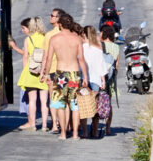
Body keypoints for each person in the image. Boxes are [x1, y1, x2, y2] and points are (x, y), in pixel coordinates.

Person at [40, 13, 89, 141]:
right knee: (75, 104)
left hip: (60, 74)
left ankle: (62, 132)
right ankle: (75, 134)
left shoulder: (54, 39)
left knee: (60, 104)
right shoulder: (77, 38)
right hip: (74, 74)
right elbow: (81, 59)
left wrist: (46, 74)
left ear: (60, 24)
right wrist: (85, 77)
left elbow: (49, 58)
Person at [17, 17, 49, 131]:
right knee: (44, 100)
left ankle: (33, 124)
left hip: (31, 71)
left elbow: (25, 56)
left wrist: (26, 70)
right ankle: (45, 125)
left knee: (32, 100)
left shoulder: (28, 39)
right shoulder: (46, 39)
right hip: (44, 71)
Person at [80, 25, 109, 138]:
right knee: (95, 107)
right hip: (96, 80)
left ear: (83, 34)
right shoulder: (98, 50)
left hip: (84, 80)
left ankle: (85, 132)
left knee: (84, 106)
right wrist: (103, 81)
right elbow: (102, 66)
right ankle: (95, 131)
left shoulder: (81, 48)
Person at [43, 8, 65, 133]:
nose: (50, 17)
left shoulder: (50, 35)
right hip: (65, 70)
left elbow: (47, 56)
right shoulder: (68, 33)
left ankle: (55, 124)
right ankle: (65, 124)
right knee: (65, 98)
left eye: (52, 15)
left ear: (58, 19)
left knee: (53, 98)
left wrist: (44, 73)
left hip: (52, 70)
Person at [100, 25, 120, 136]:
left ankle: (95, 126)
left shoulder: (99, 45)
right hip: (110, 79)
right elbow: (116, 65)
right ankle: (108, 128)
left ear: (103, 33)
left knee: (98, 100)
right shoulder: (116, 47)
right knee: (109, 102)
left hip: (99, 78)